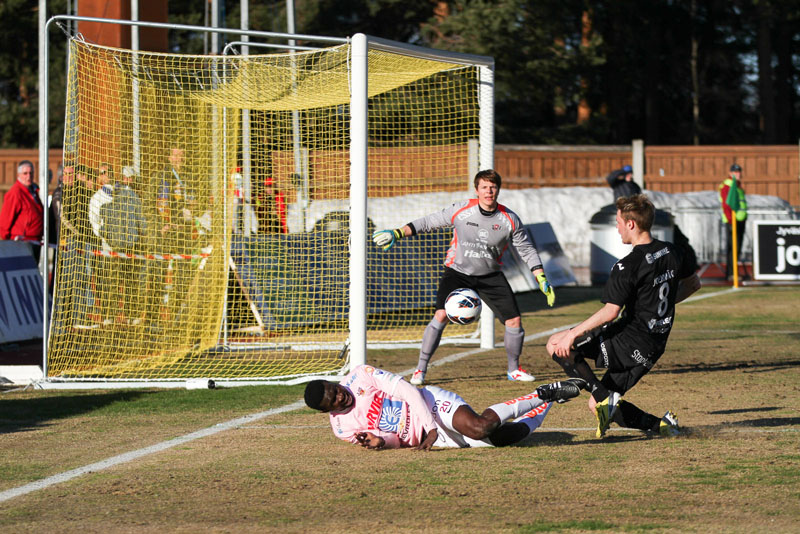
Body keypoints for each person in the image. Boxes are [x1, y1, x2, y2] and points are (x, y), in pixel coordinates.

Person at [372, 169, 555, 386]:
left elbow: (526, 249)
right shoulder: (461, 210)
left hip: (490, 276)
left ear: (498, 190)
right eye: (485, 187)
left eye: (493, 187)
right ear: (477, 190)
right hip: (457, 272)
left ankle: (513, 370)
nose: (489, 191)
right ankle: (420, 370)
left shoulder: (510, 219)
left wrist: (541, 277)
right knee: (440, 315)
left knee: (514, 321)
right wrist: (398, 233)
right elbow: (428, 222)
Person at [544, 194, 701, 438]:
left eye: (618, 222)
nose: (616, 227)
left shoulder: (628, 265)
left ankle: (604, 397)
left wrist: (572, 334)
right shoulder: (673, 251)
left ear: (631, 224)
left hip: (629, 341)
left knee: (556, 343)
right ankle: (662, 426)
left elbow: (611, 312)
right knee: (595, 403)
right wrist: (663, 306)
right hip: (654, 346)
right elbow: (693, 284)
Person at [304, 364, 585, 450]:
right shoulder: (342, 427)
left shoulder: (359, 375)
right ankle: (549, 398)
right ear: (327, 411)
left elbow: (407, 390)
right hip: (429, 437)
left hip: (433, 406)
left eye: (336, 390)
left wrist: (429, 427)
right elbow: (391, 439)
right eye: (334, 400)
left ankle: (539, 393)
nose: (341, 396)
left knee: (480, 427)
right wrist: (380, 443)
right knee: (503, 438)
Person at [87, 162, 116, 324]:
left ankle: (126, 313)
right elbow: (94, 222)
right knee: (106, 279)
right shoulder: (97, 198)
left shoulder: (119, 194)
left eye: (108, 171)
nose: (106, 175)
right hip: (106, 244)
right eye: (103, 172)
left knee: (123, 279)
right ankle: (108, 314)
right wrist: (106, 235)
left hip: (122, 243)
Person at [0, 160, 44, 262]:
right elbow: (5, 221)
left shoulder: (33, 191)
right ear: (19, 175)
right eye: (25, 173)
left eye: (31, 173)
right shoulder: (15, 193)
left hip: (35, 241)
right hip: (22, 243)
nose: (28, 176)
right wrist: (9, 244)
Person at [718, 163, 748, 280]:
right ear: (730, 173)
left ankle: (734, 272)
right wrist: (731, 220)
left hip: (740, 219)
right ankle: (731, 273)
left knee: (737, 247)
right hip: (732, 221)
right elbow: (727, 205)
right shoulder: (728, 185)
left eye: (739, 172)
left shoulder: (738, 185)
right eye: (735, 172)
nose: (738, 174)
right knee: (733, 248)